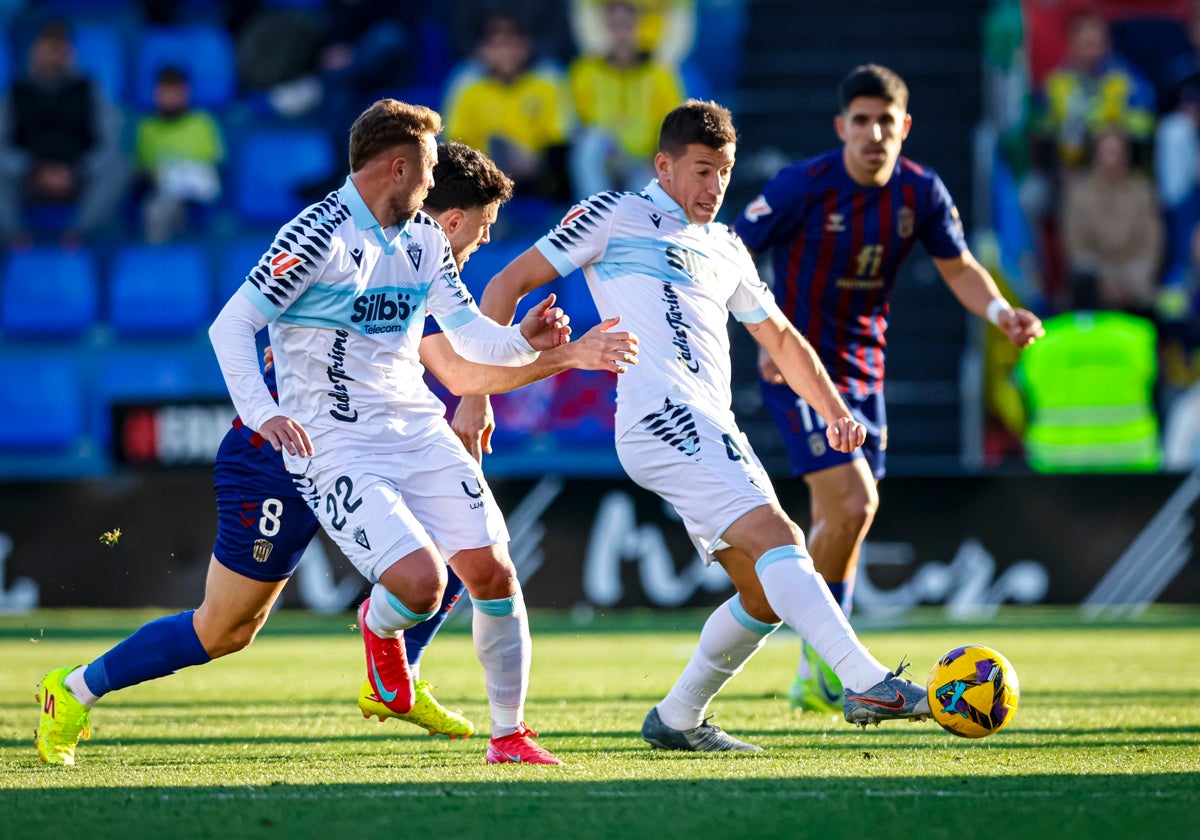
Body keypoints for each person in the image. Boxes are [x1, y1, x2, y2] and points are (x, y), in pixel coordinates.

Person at [33, 131, 638, 766]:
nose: (483, 241)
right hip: (279, 453)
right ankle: (73, 690)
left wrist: (527, 346)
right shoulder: (340, 241)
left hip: (379, 438)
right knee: (225, 629)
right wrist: (558, 356)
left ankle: (401, 680)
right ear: (446, 210)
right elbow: (461, 372)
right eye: (482, 228)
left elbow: (468, 354)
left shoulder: (423, 254)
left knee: (463, 560)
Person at [470, 98, 936, 752]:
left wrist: (834, 412)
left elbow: (781, 338)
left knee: (764, 592)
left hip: (710, 424)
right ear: (663, 165)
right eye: (699, 170)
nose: (713, 186)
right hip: (658, 414)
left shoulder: (725, 247)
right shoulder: (615, 214)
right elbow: (504, 286)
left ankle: (679, 717)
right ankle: (863, 678)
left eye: (723, 171)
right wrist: (479, 392)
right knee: (782, 536)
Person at [732, 64, 1044, 714]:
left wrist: (998, 313)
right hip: (799, 369)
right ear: (841, 127)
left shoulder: (920, 192)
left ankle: (816, 668)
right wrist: (766, 343)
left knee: (843, 519)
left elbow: (959, 268)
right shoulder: (803, 186)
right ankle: (829, 664)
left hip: (864, 372)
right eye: (862, 121)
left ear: (904, 127)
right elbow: (728, 253)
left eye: (885, 121)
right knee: (851, 503)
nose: (874, 133)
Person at [0, 20, 128, 246]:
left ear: (69, 54)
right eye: (46, 51)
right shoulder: (15, 92)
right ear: (34, 53)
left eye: (58, 51)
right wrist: (31, 168)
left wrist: (77, 169)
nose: (51, 58)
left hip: (79, 176)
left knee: (120, 165)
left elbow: (109, 141)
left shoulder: (89, 89)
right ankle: (16, 237)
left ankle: (77, 233)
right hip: (28, 176)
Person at [443, 14, 572, 204]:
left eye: (511, 44)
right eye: (497, 45)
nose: (505, 53)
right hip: (481, 174)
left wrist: (534, 162)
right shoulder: (466, 83)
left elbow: (560, 137)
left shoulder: (549, 78)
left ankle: (561, 214)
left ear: (525, 46)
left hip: (539, 170)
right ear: (483, 50)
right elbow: (455, 141)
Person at [567, 0, 685, 196]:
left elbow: (673, 126)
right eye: (614, 25)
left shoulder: (660, 74)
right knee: (589, 144)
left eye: (626, 24)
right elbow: (577, 124)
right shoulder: (584, 71)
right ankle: (594, 212)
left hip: (642, 162)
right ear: (605, 27)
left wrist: (652, 158)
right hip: (603, 158)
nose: (621, 32)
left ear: (638, 26)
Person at [1062, 126, 1163, 315]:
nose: (1111, 159)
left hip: (1134, 282)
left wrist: (1130, 280)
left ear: (1126, 156)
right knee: (1083, 280)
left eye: (1116, 152)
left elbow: (1152, 245)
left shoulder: (1142, 191)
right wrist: (1105, 282)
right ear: (1096, 155)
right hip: (1095, 282)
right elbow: (1076, 248)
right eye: (1106, 152)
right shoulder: (1079, 195)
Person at [134, 65, 225, 243]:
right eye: (164, 92)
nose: (170, 98)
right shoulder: (146, 127)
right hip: (161, 190)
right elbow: (143, 168)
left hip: (195, 197)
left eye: (175, 92)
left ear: (186, 92)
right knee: (157, 206)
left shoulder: (202, 123)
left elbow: (213, 164)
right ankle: (159, 254)